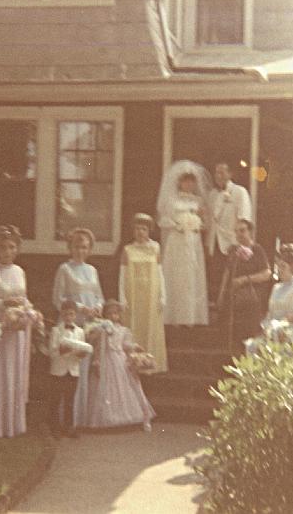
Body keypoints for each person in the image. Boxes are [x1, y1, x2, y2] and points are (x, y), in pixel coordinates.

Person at [52, 227, 104, 428]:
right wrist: (81, 308)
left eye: (84, 247)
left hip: (89, 325)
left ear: (89, 249)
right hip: (71, 323)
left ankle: (82, 417)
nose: (80, 251)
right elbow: (58, 299)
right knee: (69, 369)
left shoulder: (92, 270)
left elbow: (99, 295)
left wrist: (97, 307)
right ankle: (65, 419)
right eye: (76, 247)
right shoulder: (64, 269)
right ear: (70, 248)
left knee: (85, 369)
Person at [0, 225, 32, 437]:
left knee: (15, 373)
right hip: (0, 330)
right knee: (0, 373)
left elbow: (24, 299)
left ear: (17, 249)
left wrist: (30, 312)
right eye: (3, 247)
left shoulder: (20, 271)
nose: (7, 251)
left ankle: (13, 424)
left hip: (18, 331)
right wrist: (4, 303)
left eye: (12, 247)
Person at [157, 159, 211, 326]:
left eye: (191, 182)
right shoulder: (172, 200)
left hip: (193, 241)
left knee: (191, 277)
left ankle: (191, 317)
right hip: (177, 240)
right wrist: (177, 225)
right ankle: (173, 317)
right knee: (177, 276)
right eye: (185, 181)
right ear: (179, 182)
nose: (188, 185)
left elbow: (205, 222)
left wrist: (198, 224)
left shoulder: (198, 201)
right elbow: (163, 220)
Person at [87, 299, 155, 430]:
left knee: (128, 387)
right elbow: (95, 343)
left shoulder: (123, 330)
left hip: (120, 359)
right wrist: (101, 332)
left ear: (119, 315)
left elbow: (124, 345)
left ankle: (135, 416)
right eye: (110, 314)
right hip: (105, 358)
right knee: (105, 387)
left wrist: (135, 347)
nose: (113, 317)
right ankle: (107, 418)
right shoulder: (102, 328)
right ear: (105, 315)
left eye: (115, 314)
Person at [119, 213, 167, 373]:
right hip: (133, 295)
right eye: (137, 228)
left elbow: (160, 272)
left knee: (150, 327)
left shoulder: (155, 248)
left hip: (151, 295)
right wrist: (122, 297)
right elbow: (122, 275)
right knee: (133, 327)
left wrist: (162, 295)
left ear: (149, 231)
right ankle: (133, 364)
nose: (140, 232)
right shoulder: (127, 249)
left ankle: (149, 366)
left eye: (144, 229)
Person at [218, 219, 271, 352]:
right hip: (233, 299)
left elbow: (267, 273)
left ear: (250, 232)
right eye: (236, 231)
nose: (239, 234)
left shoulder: (257, 250)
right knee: (232, 334)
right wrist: (221, 294)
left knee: (249, 334)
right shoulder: (233, 250)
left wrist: (245, 279)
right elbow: (227, 272)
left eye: (242, 230)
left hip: (251, 300)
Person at [207, 162, 252, 301]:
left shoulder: (239, 192)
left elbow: (244, 218)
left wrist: (241, 243)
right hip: (214, 243)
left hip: (232, 243)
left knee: (231, 280)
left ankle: (228, 315)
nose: (218, 176)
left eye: (222, 172)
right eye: (216, 172)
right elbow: (209, 218)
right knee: (215, 279)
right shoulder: (213, 194)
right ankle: (217, 312)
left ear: (230, 174)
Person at [49, 300, 90, 439]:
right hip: (58, 370)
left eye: (71, 314)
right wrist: (62, 350)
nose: (68, 317)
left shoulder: (80, 332)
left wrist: (81, 354)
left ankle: (69, 427)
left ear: (75, 315)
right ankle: (55, 428)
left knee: (70, 400)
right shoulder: (56, 330)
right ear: (61, 315)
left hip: (73, 370)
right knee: (56, 400)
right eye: (66, 314)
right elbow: (52, 352)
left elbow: (81, 351)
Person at [266, 244, 293, 321]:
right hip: (273, 329)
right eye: (278, 266)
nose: (279, 270)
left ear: (292, 268)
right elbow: (270, 313)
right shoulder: (276, 287)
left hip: (291, 330)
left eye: (283, 266)